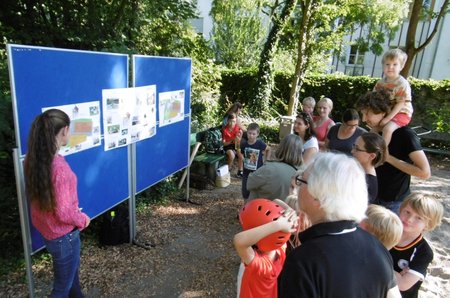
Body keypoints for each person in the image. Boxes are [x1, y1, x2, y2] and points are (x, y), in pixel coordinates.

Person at [279, 152, 401, 298]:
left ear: (318, 197)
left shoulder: (303, 260)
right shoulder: (377, 247)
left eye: (301, 181)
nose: (297, 188)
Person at [24, 109, 90, 297]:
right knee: (61, 288)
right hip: (64, 237)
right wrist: (83, 219)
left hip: (49, 232)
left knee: (70, 277)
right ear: (64, 131)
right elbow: (63, 212)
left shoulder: (33, 159)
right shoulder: (59, 169)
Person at [357, 90, 430, 213]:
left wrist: (388, 158)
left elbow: (425, 173)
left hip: (393, 203)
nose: (364, 119)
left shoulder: (406, 135)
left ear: (384, 112)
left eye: (368, 114)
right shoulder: (373, 133)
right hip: (370, 197)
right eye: (362, 114)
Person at [234, 198, 298, 297]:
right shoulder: (280, 251)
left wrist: (277, 224)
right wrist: (290, 212)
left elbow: (239, 241)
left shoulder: (261, 266)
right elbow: (276, 200)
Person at [390, 193, 443, 297]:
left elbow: (402, 284)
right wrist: (396, 274)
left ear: (428, 225)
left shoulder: (423, 252)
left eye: (419, 218)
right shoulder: (387, 232)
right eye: (407, 212)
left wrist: (377, 264)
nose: (409, 219)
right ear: (400, 210)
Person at [373, 48, 413, 146]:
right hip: (388, 112)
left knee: (387, 129)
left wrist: (387, 119)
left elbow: (400, 103)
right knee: (373, 130)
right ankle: (371, 148)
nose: (390, 67)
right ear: (383, 66)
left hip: (401, 113)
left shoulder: (402, 83)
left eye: (395, 64)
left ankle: (382, 152)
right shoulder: (380, 83)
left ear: (401, 66)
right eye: (387, 64)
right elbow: (374, 99)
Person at [247, 134, 303, 202]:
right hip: (286, 211)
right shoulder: (303, 175)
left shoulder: (269, 168)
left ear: (281, 147)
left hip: (260, 209)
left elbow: (249, 184)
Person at [351, 132, 387, 203]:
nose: (352, 151)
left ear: (371, 156)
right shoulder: (357, 172)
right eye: (354, 146)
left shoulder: (368, 184)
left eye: (357, 149)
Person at [240, 123, 269, 199]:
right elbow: (240, 152)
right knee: (245, 191)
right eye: (249, 133)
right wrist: (242, 158)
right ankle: (245, 205)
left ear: (257, 134)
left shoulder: (259, 143)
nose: (251, 135)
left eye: (253, 134)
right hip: (246, 171)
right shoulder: (244, 144)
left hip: (258, 171)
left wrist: (267, 160)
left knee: (257, 190)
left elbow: (268, 149)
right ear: (247, 133)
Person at [222, 112, 244, 177]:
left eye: (234, 121)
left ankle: (240, 171)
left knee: (240, 156)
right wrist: (232, 141)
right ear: (228, 121)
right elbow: (223, 144)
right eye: (230, 121)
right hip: (227, 145)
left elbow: (239, 139)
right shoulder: (224, 130)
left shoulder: (237, 128)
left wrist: (240, 135)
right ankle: (228, 169)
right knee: (232, 155)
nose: (232, 123)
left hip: (236, 144)